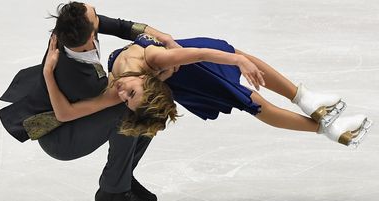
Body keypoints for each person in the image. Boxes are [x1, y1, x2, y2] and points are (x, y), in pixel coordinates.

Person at [0, 2, 180, 201]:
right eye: (95, 17)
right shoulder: (86, 81)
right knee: (133, 109)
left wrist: (165, 38)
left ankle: (122, 177)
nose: (95, 10)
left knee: (139, 104)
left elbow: (123, 27)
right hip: (60, 136)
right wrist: (48, 73)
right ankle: (113, 193)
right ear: (90, 36)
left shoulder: (69, 30)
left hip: (66, 112)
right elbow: (65, 114)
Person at [43, 33, 372, 148]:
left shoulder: (152, 62)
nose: (121, 92)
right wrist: (47, 72)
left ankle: (305, 98)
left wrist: (237, 60)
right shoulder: (152, 63)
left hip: (193, 60)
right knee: (253, 103)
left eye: (126, 96)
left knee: (245, 61)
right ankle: (325, 129)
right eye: (130, 96)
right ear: (149, 82)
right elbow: (65, 114)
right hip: (193, 73)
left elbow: (200, 53)